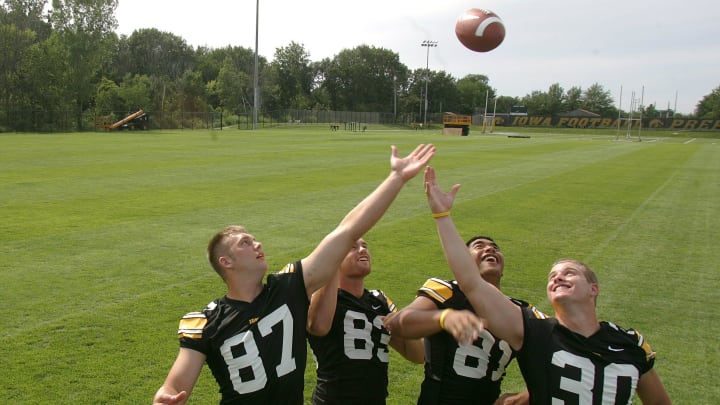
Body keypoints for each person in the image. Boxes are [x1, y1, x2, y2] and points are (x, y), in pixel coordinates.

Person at [151, 144, 435, 405]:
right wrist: (163, 399)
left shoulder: (288, 287)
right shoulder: (207, 321)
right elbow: (175, 384)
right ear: (226, 262)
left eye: (254, 239)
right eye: (245, 243)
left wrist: (396, 179)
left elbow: (347, 231)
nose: (257, 244)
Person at [421, 165, 672, 404]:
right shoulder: (537, 333)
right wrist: (442, 216)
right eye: (552, 276)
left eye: (569, 273)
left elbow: (659, 402)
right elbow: (471, 282)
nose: (557, 278)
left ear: (593, 289)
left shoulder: (630, 343)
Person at [385, 233, 532, 405]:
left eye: (495, 247)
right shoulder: (448, 292)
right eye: (479, 246)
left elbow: (555, 358)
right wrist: (443, 318)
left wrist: (521, 399)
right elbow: (399, 323)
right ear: (464, 260)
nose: (490, 248)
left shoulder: (520, 311)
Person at [306, 237, 425, 405]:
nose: (362, 250)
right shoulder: (324, 299)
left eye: (364, 246)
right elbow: (316, 325)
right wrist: (332, 258)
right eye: (352, 247)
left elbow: (418, 355)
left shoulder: (379, 300)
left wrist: (404, 326)